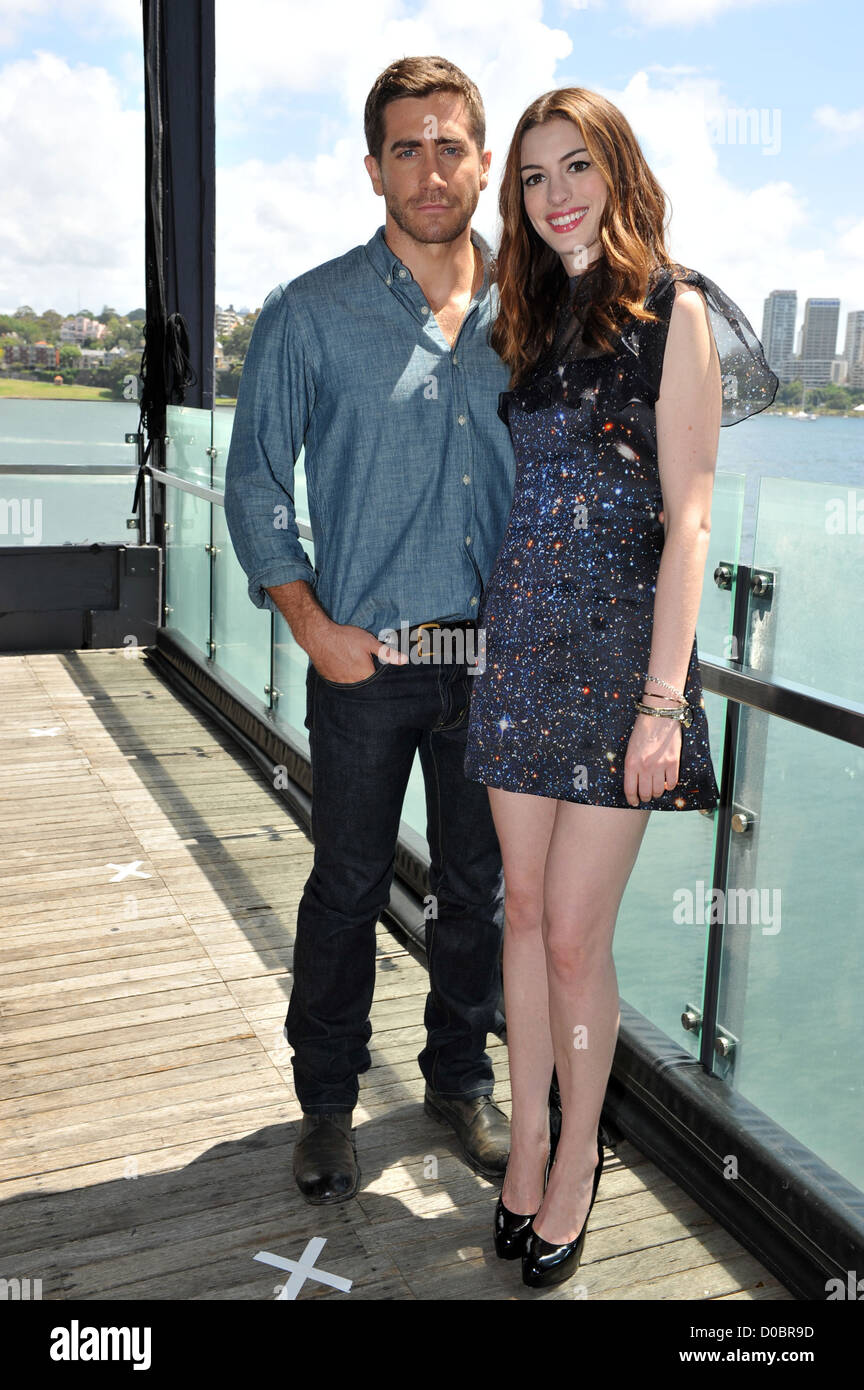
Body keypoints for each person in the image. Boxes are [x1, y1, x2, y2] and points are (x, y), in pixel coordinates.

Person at [463, 87, 778, 1288]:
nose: (556, 195)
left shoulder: (674, 310)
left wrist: (664, 701)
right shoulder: (531, 316)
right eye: (534, 177)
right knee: (526, 918)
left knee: (578, 931)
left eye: (575, 166)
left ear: (619, 170)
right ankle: (527, 1133)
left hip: (616, 673)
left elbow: (689, 515)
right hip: (520, 650)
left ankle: (583, 1147)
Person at [224, 56, 518, 1204]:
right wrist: (312, 623)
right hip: (367, 663)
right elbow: (255, 485)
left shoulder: (532, 310)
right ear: (373, 167)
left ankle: (459, 1079)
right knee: (345, 886)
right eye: (407, 147)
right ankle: (329, 1106)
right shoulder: (312, 311)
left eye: (450, 145)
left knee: (476, 892)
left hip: (496, 664)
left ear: (483, 161)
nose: (430, 168)